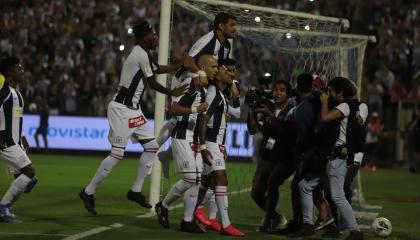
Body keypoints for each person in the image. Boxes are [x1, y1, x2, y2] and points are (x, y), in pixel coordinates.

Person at [78, 20, 194, 215]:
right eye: (153, 34)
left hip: (133, 110)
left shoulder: (144, 54)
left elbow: (157, 69)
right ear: (144, 37)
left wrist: (180, 64)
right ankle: (88, 191)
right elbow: (153, 83)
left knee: (151, 147)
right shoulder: (140, 54)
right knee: (117, 154)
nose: (156, 37)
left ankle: (135, 190)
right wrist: (171, 93)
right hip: (121, 109)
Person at [155, 54, 217, 233]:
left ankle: (188, 221)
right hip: (182, 136)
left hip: (193, 138)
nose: (215, 70)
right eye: (213, 67)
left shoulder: (203, 89)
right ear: (203, 69)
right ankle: (163, 205)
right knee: (190, 179)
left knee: (196, 180)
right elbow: (173, 109)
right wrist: (195, 109)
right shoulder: (194, 86)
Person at [196, 60, 245, 237]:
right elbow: (203, 118)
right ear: (218, 72)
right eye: (228, 70)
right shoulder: (213, 93)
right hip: (210, 143)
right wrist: (202, 146)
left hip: (215, 143)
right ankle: (225, 224)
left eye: (234, 71)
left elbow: (237, 113)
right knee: (220, 179)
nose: (232, 74)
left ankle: (194, 212)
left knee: (207, 182)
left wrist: (236, 93)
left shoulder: (221, 95)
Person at [247, 80, 295, 233]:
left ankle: (268, 220)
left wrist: (270, 115)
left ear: (288, 94)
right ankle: (275, 217)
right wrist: (252, 110)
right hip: (266, 156)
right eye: (276, 89)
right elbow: (252, 130)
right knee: (255, 193)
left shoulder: (291, 110)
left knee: (272, 185)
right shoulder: (269, 107)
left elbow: (285, 132)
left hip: (282, 157)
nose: (277, 92)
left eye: (282, 90)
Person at [319, 77, 364, 240]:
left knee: (337, 196)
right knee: (333, 193)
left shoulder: (345, 105)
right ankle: (335, 224)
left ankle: (354, 230)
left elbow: (325, 117)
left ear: (340, 92)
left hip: (339, 155)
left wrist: (324, 102)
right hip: (342, 154)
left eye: (331, 91)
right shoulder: (355, 105)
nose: (329, 94)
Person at [0, 57, 38, 223]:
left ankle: (5, 209)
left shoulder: (18, 95)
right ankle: (3, 207)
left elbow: (17, 119)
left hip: (15, 141)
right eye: (18, 68)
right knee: (29, 173)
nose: (22, 71)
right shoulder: (4, 92)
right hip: (5, 141)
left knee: (27, 179)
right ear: (9, 72)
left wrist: (23, 137)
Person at [407, 105, 420, 173]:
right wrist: (417, 119)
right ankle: (416, 168)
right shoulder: (415, 121)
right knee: (416, 154)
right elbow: (410, 128)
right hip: (417, 141)